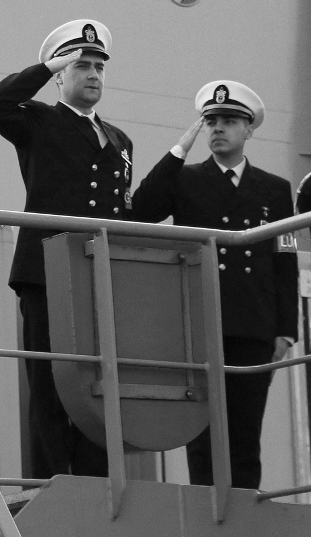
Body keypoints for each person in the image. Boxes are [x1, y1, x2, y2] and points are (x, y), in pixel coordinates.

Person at [0, 19, 129, 480]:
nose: (92, 73)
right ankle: (54, 478)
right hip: (47, 271)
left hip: (101, 274)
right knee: (50, 383)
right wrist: (44, 68)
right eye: (81, 64)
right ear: (61, 74)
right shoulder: (38, 118)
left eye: (99, 65)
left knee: (99, 383)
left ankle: (96, 480)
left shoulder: (121, 139)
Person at [131, 81, 297, 489]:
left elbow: (284, 260)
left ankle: (243, 514)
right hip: (198, 318)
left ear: (248, 129)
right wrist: (177, 152)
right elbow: (142, 211)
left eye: (228, 121)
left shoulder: (274, 189)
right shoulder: (185, 178)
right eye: (211, 122)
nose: (217, 129)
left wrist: (286, 329)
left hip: (253, 324)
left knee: (245, 429)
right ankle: (207, 516)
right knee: (201, 432)